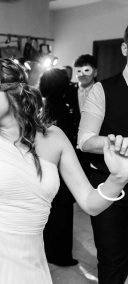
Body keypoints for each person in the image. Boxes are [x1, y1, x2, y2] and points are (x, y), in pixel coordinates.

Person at [0, 57, 128, 284]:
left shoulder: (56, 138)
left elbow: (90, 204)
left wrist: (118, 178)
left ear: (14, 90)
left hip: (32, 268)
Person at [78, 25, 128, 284]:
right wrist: (116, 143)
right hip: (110, 187)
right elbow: (85, 140)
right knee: (113, 260)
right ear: (125, 48)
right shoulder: (102, 90)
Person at [39, 68, 78, 266]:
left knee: (51, 209)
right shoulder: (63, 107)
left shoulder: (45, 107)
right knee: (62, 210)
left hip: (47, 164)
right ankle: (61, 254)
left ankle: (49, 250)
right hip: (62, 165)